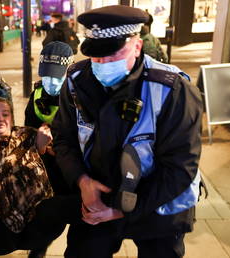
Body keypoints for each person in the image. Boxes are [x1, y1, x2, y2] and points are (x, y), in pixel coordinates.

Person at [52, 5, 203, 258]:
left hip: (156, 202)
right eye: (96, 56)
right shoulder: (77, 80)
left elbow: (181, 165)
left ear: (137, 46)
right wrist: (82, 180)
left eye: (113, 54)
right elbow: (63, 138)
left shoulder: (174, 90)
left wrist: (124, 210)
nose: (103, 63)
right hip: (97, 198)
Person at [0, 90, 80, 257]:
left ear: (11, 118)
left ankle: (112, 208)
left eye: (5, 114)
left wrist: (43, 146)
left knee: (69, 204)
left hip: (37, 220)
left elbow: (58, 154)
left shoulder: (28, 135)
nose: (0, 118)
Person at [25, 41, 74, 196]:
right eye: (46, 76)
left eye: (57, 76)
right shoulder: (37, 95)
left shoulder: (80, 97)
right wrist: (38, 141)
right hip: (45, 170)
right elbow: (27, 133)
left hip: (73, 172)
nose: (51, 82)